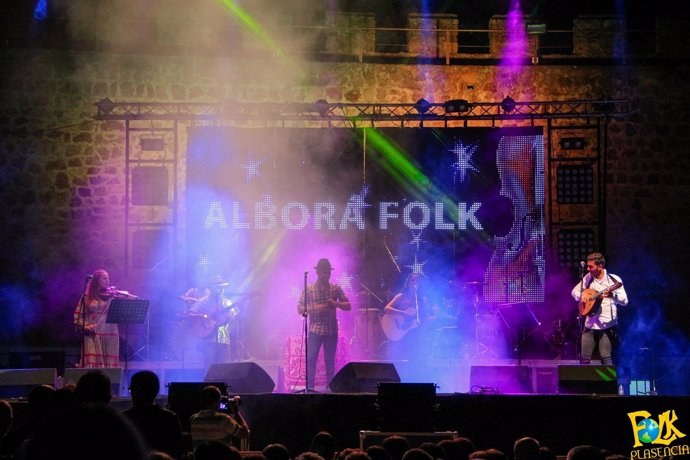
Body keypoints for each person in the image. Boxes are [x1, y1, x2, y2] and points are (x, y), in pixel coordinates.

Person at [297, 258, 351, 391]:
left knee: (330, 361)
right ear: (317, 272)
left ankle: (329, 390)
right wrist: (318, 307)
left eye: (328, 272)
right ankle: (310, 389)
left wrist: (336, 304)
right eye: (323, 272)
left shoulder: (335, 288)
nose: (326, 274)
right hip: (315, 330)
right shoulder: (309, 290)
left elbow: (348, 306)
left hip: (331, 330)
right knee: (311, 360)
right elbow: (299, 309)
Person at [570, 252, 629, 365]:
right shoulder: (588, 278)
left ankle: (608, 383)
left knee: (605, 357)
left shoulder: (614, 280)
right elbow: (574, 292)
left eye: (591, 266)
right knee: (584, 359)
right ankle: (584, 382)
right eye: (587, 266)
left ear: (600, 266)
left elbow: (625, 301)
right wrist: (583, 296)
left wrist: (613, 296)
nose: (588, 269)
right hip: (590, 324)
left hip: (607, 325)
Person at [74, 269, 133, 368]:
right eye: (104, 278)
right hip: (93, 334)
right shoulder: (86, 297)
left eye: (108, 278)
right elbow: (78, 317)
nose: (107, 281)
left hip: (110, 334)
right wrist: (86, 326)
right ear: (96, 280)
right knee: (92, 364)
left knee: (109, 365)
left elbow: (127, 301)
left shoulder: (111, 295)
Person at [122, 370, 184, 459]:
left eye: (131, 389)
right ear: (156, 390)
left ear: (135, 390)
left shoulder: (124, 419)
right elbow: (178, 451)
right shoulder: (169, 418)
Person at [186, 276, 239, 365]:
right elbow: (189, 314)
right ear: (211, 289)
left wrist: (229, 317)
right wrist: (203, 319)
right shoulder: (203, 302)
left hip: (223, 341)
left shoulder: (227, 302)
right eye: (217, 287)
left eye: (221, 287)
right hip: (208, 342)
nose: (220, 289)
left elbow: (233, 320)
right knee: (209, 372)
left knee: (224, 371)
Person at [381, 273, 434, 362]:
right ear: (408, 282)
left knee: (413, 357)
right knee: (397, 358)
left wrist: (431, 318)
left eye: (418, 280)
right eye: (413, 280)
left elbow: (426, 316)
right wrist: (403, 313)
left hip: (414, 333)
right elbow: (386, 308)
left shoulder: (423, 300)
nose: (415, 282)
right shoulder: (401, 296)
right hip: (399, 330)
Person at [190, 385, 249, 450]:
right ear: (218, 401)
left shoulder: (194, 419)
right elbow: (245, 433)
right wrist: (236, 411)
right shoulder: (224, 420)